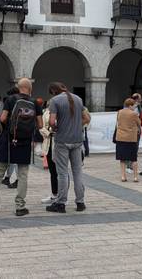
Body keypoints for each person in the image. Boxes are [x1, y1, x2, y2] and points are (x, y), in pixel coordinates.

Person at [0, 78, 43, 217]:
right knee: (23, 174)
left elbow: (2, 118)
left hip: (8, 140)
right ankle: (20, 207)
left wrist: (11, 126)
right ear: (30, 88)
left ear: (18, 87)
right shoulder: (35, 102)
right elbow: (41, 124)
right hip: (24, 142)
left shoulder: (11, 99)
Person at [47, 82, 89, 213]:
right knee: (77, 172)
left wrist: (55, 128)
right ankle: (80, 202)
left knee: (62, 173)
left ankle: (61, 203)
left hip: (62, 141)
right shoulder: (78, 99)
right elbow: (87, 118)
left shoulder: (55, 100)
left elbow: (52, 122)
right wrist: (76, 125)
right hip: (77, 140)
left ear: (54, 91)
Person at [114, 98, 142, 183]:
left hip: (121, 137)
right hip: (131, 138)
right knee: (133, 158)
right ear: (130, 105)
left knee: (122, 159)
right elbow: (139, 123)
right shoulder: (134, 114)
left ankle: (123, 176)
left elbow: (118, 122)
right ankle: (135, 177)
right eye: (133, 105)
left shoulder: (119, 112)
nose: (134, 107)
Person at [40, 102, 58, 204]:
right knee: (52, 170)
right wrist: (49, 133)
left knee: (61, 171)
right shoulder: (46, 113)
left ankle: (63, 195)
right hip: (49, 143)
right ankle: (54, 194)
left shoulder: (62, 112)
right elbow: (40, 126)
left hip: (60, 143)